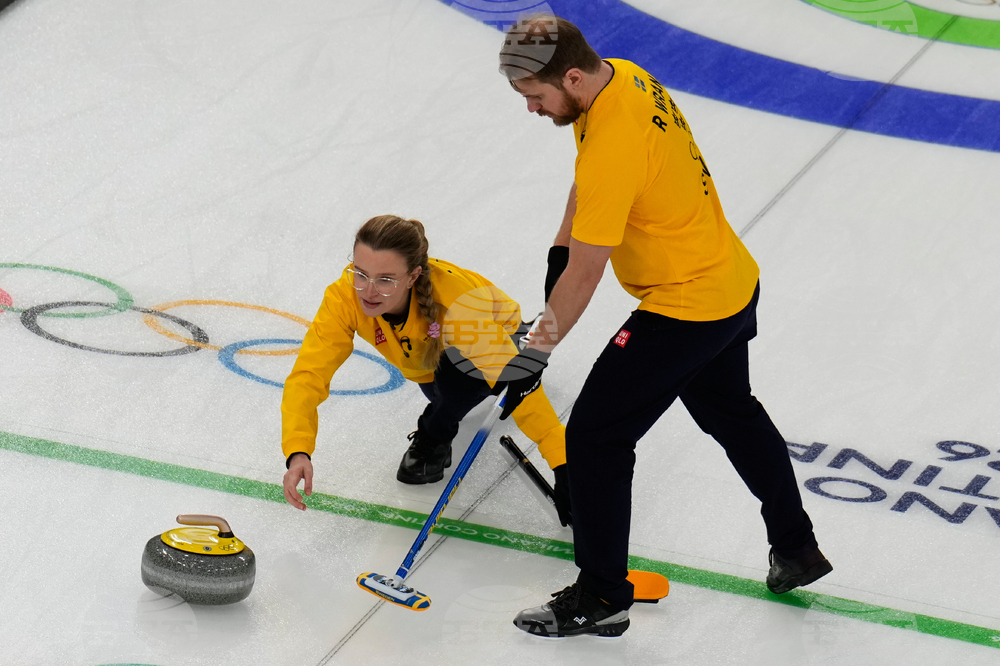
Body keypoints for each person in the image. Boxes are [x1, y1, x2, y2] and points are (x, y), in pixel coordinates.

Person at [493, 16, 831, 638]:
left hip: (684, 306)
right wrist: (556, 254)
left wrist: (535, 351)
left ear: (569, 76)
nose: (533, 111)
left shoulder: (614, 136)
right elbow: (589, 179)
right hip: (730, 280)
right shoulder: (620, 76)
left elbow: (590, 270)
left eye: (536, 98)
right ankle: (796, 546)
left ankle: (600, 595)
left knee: (596, 437)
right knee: (731, 410)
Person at [280, 214, 568, 519]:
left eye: (386, 280)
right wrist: (298, 450)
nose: (368, 291)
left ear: (413, 276)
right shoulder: (344, 297)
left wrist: (564, 465)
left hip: (490, 336)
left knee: (455, 383)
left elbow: (519, 387)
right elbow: (309, 374)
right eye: (361, 273)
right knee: (443, 387)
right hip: (428, 366)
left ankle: (517, 348)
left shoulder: (458, 305)